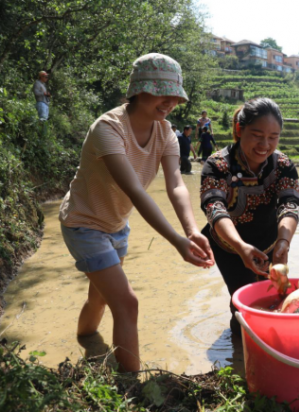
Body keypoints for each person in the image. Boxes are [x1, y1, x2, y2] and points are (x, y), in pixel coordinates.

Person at [59, 53, 214, 372]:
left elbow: (175, 185)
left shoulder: (166, 132)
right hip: (84, 224)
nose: (170, 101)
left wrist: (191, 230)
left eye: (174, 95)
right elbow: (136, 191)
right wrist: (175, 241)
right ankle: (131, 388)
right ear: (139, 90)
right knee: (127, 303)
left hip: (116, 224)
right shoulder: (108, 129)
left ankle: (87, 340)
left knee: (101, 298)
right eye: (161, 92)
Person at [200, 97, 299, 334]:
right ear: (239, 129)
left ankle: (272, 346)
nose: (265, 144)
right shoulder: (217, 165)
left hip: (272, 243)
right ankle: (242, 358)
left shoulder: (283, 164)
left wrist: (283, 243)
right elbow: (215, 207)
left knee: (273, 299)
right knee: (243, 302)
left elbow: (290, 204)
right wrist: (241, 246)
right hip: (229, 246)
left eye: (273, 137)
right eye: (257, 134)